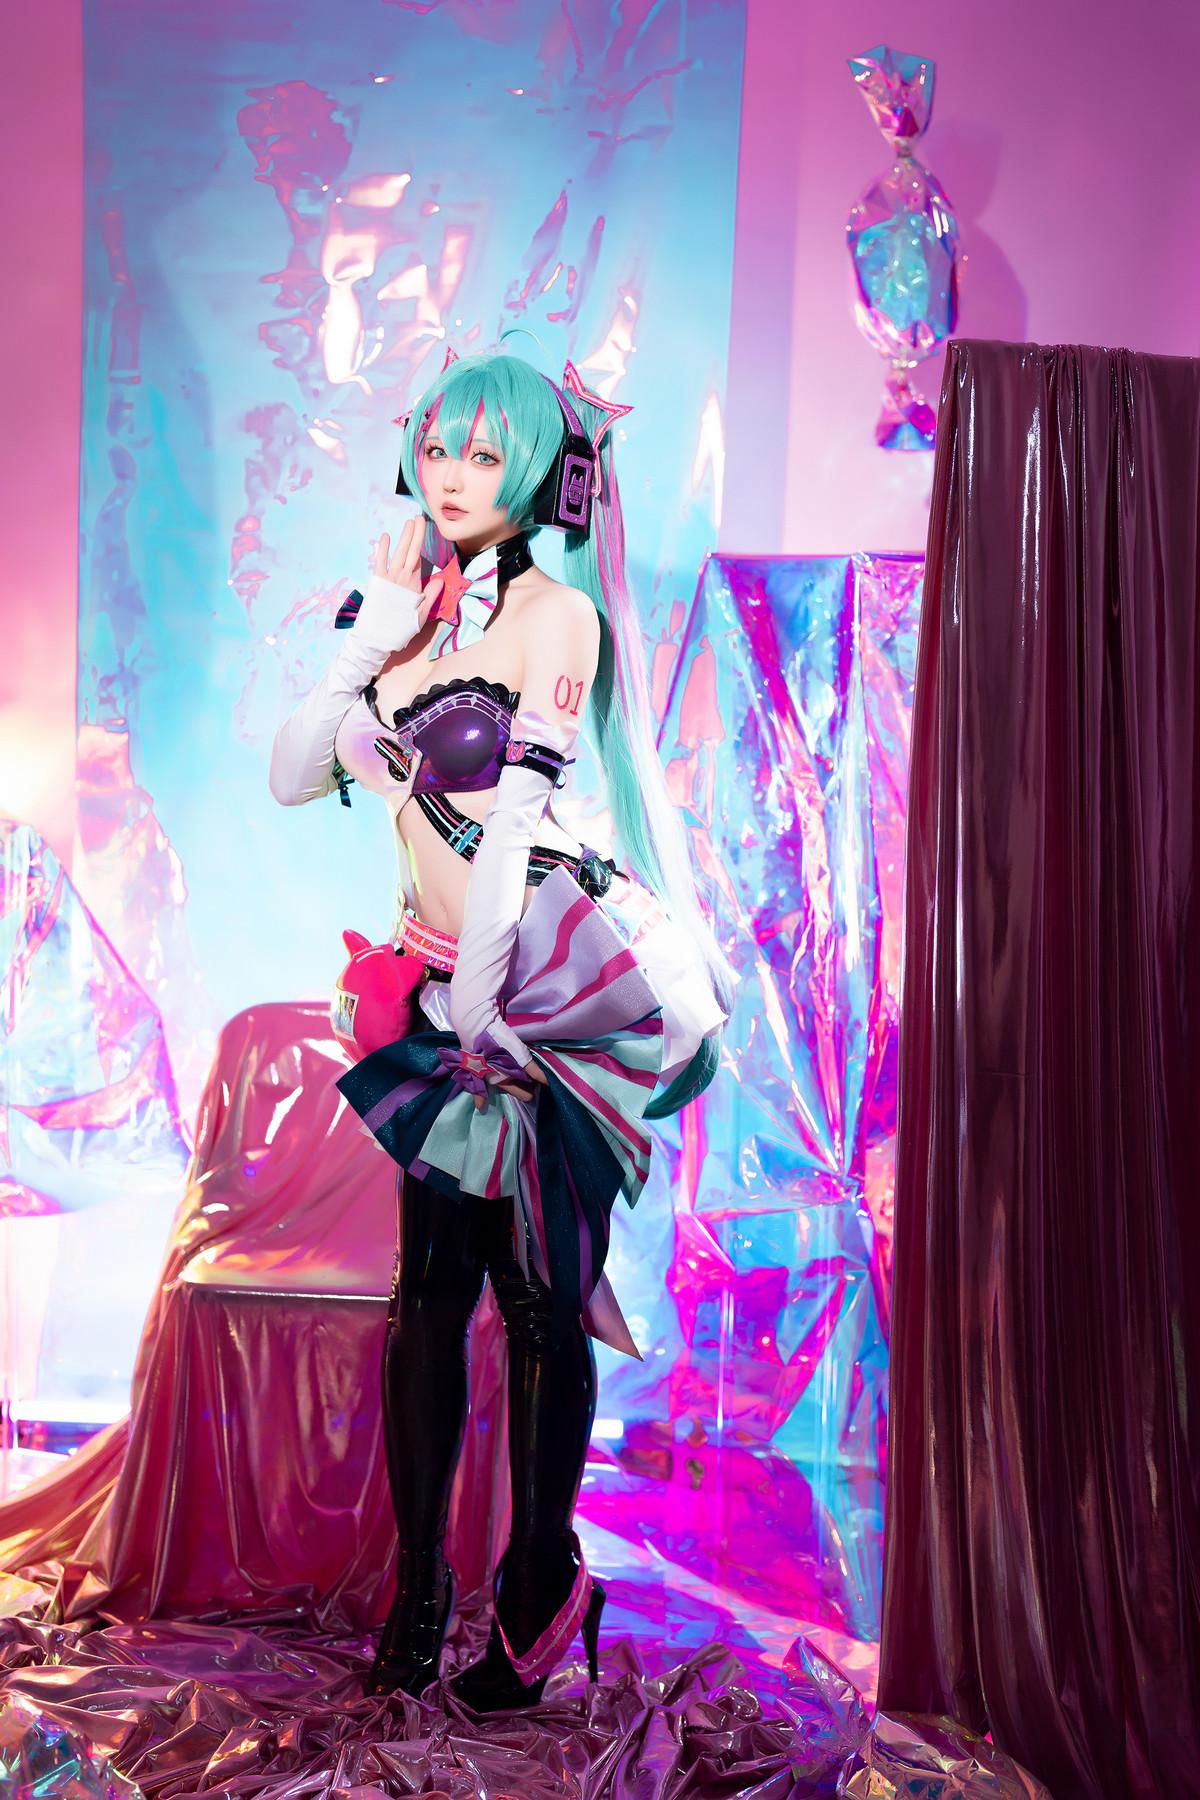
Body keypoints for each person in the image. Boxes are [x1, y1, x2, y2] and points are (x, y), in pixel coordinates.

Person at [269, 349, 731, 1710]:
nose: (455, 476)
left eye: (486, 453)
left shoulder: (557, 621)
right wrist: (367, 642)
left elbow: (522, 828)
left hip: (539, 994)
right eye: (439, 447)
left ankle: (534, 1592)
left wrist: (483, 1012)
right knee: (428, 1298)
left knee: (535, 1300)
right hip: (440, 986)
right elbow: (294, 774)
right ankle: (420, 1595)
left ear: (537, 470)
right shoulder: (404, 614)